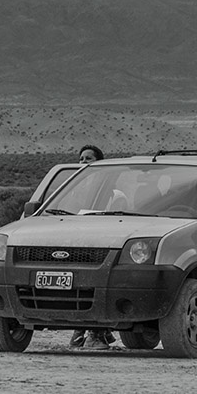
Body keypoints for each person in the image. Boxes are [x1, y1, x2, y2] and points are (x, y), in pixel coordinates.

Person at [69, 144, 116, 351]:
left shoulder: (114, 194)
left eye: (88, 158)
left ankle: (92, 335)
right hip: (75, 245)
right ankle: (85, 334)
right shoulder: (73, 190)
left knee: (94, 289)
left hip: (100, 248)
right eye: (81, 158)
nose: (83, 162)